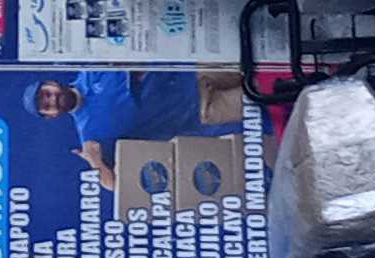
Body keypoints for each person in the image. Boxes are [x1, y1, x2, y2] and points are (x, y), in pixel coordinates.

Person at [24, 72, 242, 182]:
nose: (52, 99)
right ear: (51, 117)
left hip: (195, 70)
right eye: (46, 106)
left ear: (52, 83)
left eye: (47, 93)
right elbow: (116, 185)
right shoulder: (91, 138)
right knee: (259, 93)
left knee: (259, 56)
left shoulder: (93, 67)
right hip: (202, 110)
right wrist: (96, 163)